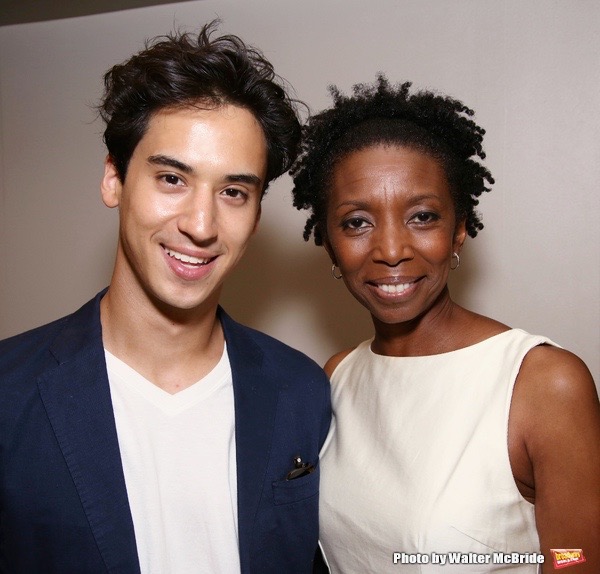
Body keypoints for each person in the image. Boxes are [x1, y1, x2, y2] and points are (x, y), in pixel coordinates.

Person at [0, 23, 331, 573]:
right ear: (114, 180)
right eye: (172, 179)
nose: (201, 225)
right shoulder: (9, 395)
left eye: (233, 191)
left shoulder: (300, 390)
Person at [291, 76, 600, 573]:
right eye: (356, 222)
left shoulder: (542, 383)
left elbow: (577, 557)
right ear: (328, 243)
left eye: (422, 216)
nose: (391, 249)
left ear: (459, 230)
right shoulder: (336, 377)